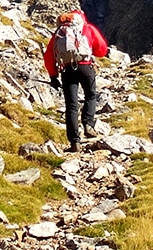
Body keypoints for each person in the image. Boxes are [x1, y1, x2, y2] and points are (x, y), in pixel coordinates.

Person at [43, 9, 109, 151]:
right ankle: (88, 124)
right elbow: (102, 49)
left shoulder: (60, 32)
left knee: (71, 105)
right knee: (91, 96)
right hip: (85, 66)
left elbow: (49, 55)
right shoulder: (87, 28)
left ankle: (75, 143)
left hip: (67, 69)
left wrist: (53, 76)